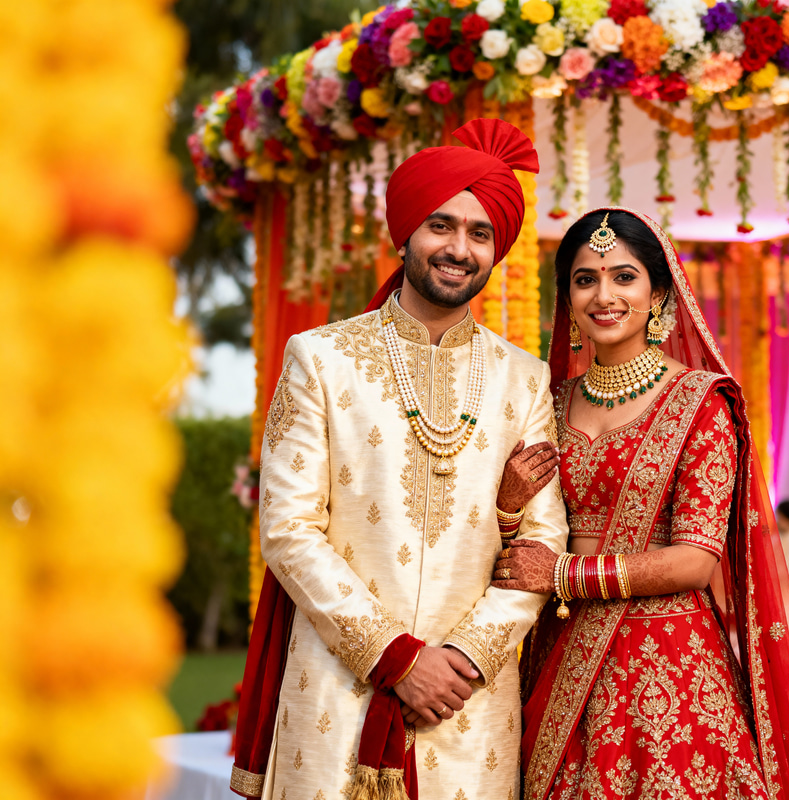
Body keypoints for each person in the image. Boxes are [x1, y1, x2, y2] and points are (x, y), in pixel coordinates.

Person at [230, 118, 569, 800]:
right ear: (405, 232)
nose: (459, 248)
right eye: (441, 225)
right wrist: (395, 657)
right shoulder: (319, 359)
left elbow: (544, 538)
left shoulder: (523, 379)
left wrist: (464, 659)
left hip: (467, 704)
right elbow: (289, 530)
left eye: (480, 233)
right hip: (337, 689)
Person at [492, 208, 789, 800]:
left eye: (623, 277)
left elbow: (694, 561)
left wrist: (559, 574)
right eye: (585, 279)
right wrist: (507, 508)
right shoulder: (546, 404)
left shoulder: (702, 403)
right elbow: (525, 534)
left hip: (669, 668)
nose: (604, 296)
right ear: (569, 297)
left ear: (658, 292)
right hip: (561, 656)